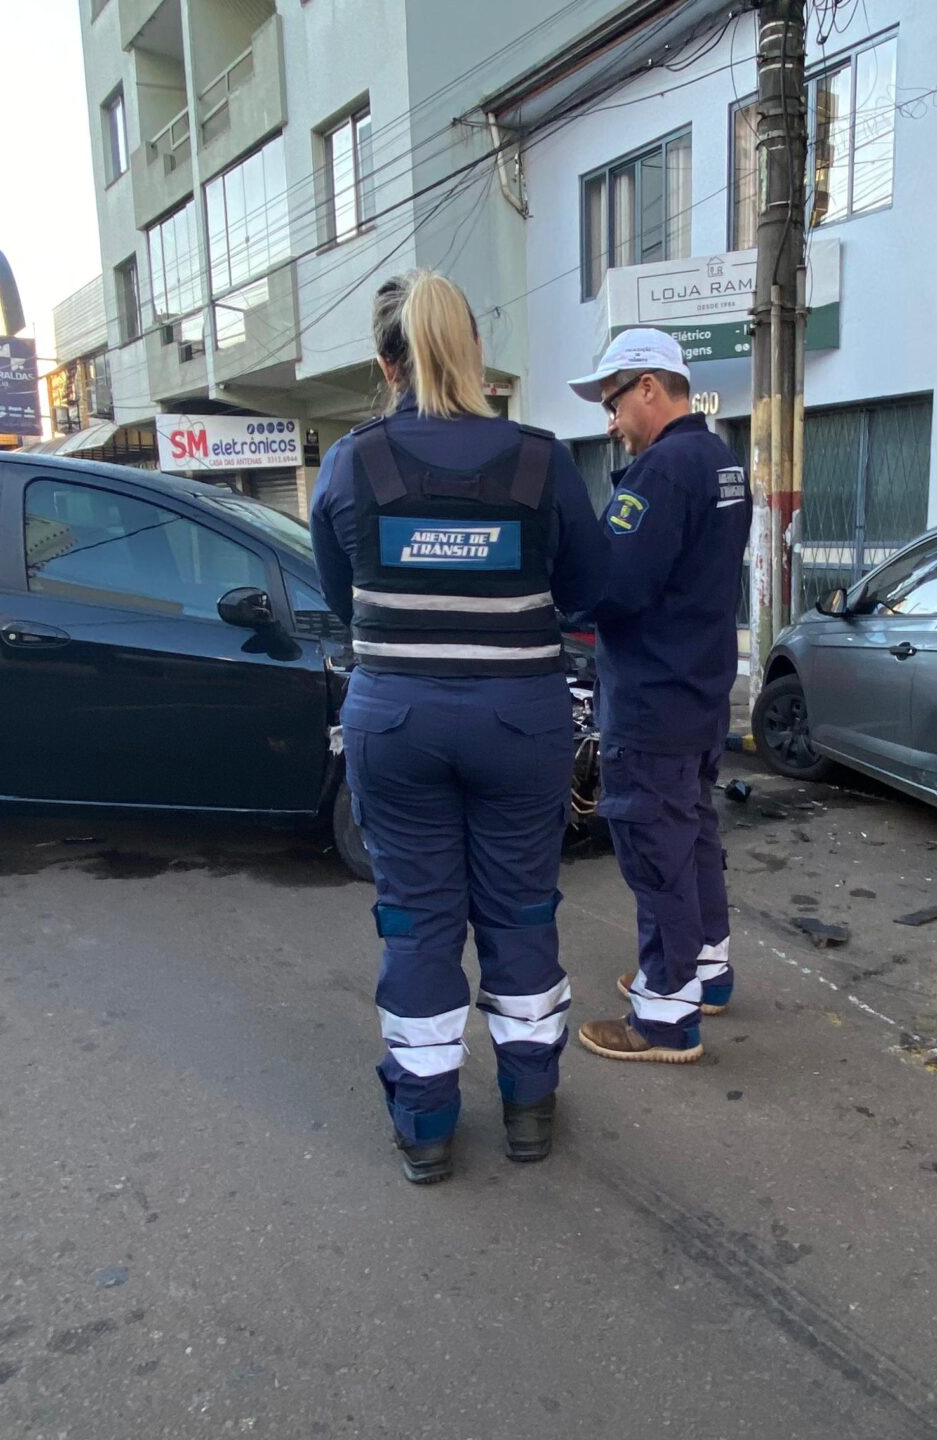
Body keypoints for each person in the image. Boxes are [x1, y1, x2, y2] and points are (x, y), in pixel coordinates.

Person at [310, 270, 606, 1184]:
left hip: (395, 720)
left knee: (417, 922)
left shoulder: (355, 463)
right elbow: (586, 591)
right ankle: (528, 1109)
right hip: (519, 722)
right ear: (475, 352)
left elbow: (337, 594)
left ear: (384, 362)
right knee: (520, 911)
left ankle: (427, 1125)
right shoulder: (539, 459)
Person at [565, 328, 752, 1066]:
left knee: (656, 848)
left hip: (652, 696)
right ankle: (707, 973)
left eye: (611, 403)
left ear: (649, 387)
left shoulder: (661, 471)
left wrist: (565, 593)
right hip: (700, 686)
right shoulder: (719, 459)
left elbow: (615, 589)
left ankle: (665, 1013)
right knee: (694, 834)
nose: (609, 422)